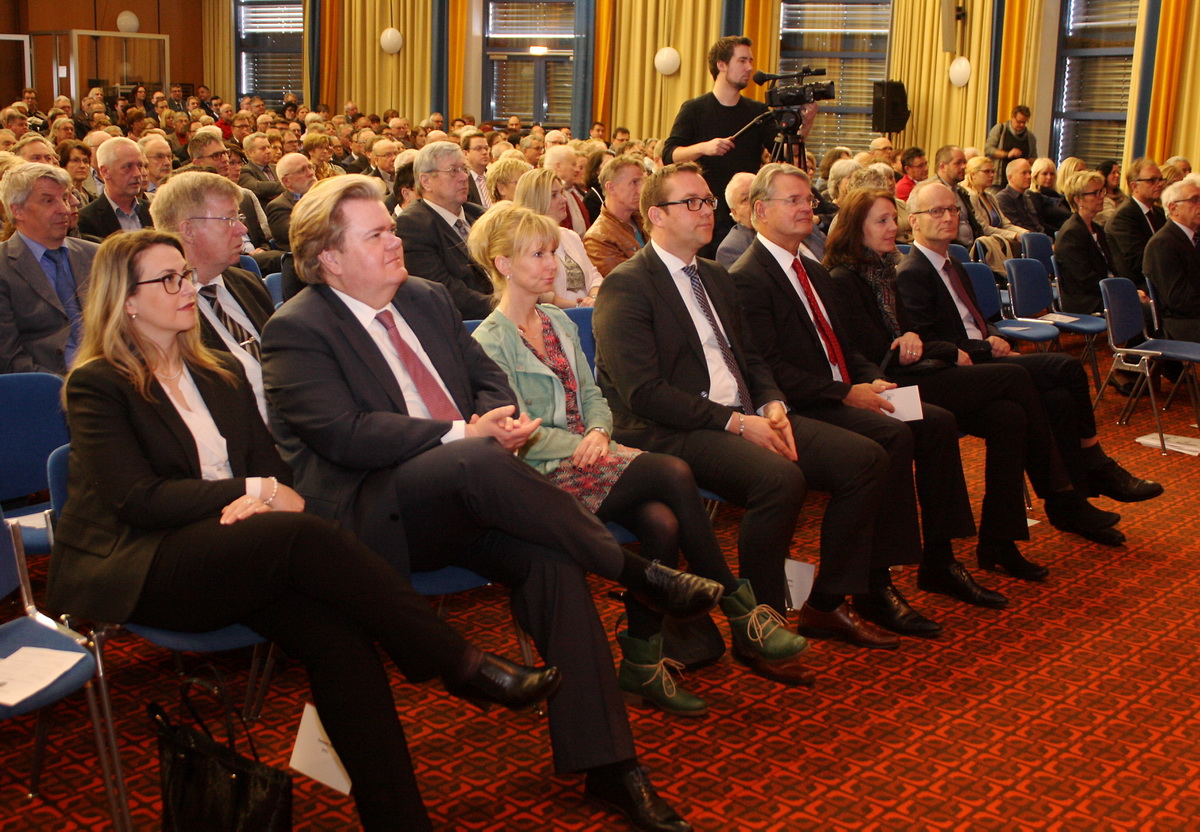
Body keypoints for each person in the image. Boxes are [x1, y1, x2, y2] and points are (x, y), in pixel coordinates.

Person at [49, 229, 560, 831]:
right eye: (168, 279)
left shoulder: (218, 372)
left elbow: (273, 467)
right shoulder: (99, 383)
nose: (187, 288)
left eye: (185, 274)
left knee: (339, 638)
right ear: (126, 300)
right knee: (298, 533)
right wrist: (252, 493)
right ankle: (461, 663)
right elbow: (140, 500)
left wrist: (257, 496)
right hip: (143, 562)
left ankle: (400, 820)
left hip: (239, 546)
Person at [262, 174, 712, 832]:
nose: (395, 241)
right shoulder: (297, 328)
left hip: (475, 495)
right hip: (379, 510)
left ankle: (610, 766)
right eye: (377, 234)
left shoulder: (426, 299)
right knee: (475, 458)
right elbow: (344, 434)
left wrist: (491, 420)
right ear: (329, 257)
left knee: (554, 564)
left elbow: (487, 381)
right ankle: (633, 572)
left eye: (392, 229)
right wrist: (462, 435)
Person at [470, 203, 812, 714]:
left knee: (662, 524)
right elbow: (518, 431)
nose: (552, 264)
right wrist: (583, 444)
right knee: (671, 471)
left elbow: (593, 395)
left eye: (552, 252)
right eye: (538, 254)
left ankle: (642, 663)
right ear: (503, 264)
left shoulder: (558, 320)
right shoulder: (489, 341)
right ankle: (740, 607)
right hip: (542, 475)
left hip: (596, 456)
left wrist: (599, 432)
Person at [595, 161, 902, 650]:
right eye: (691, 202)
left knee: (865, 459)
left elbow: (751, 358)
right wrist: (737, 423)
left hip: (741, 414)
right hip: (672, 427)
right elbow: (643, 392)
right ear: (656, 215)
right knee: (780, 480)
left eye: (708, 201)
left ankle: (825, 603)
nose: (706, 211)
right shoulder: (628, 284)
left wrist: (772, 403)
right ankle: (761, 623)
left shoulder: (715, 277)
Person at [824, 187, 1134, 587]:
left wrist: (921, 341)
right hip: (893, 384)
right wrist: (929, 346)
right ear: (856, 228)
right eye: (881, 221)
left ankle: (999, 540)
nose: (892, 228)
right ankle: (1060, 493)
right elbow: (871, 351)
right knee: (1017, 378)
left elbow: (910, 335)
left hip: (918, 372)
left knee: (1010, 415)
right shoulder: (847, 278)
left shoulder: (884, 269)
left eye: (891, 218)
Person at [730, 164, 984, 624]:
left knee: (936, 422)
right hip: (804, 403)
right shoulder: (748, 276)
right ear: (760, 211)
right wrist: (847, 393)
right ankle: (874, 582)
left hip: (842, 389)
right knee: (892, 436)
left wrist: (871, 378)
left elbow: (846, 347)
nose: (807, 208)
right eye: (794, 200)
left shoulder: (811, 268)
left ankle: (940, 558)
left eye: (808, 199)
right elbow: (769, 369)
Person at [896, 182, 1162, 538]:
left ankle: (1070, 504)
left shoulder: (953, 263)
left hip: (984, 359)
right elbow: (930, 339)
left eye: (953, 210)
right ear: (914, 220)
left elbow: (976, 319)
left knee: (1058, 400)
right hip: (960, 370)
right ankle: (1092, 462)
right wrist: (986, 347)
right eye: (936, 211)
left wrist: (994, 335)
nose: (948, 217)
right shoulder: (913, 271)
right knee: (1067, 367)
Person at [662, 36, 816, 249]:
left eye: (750, 61)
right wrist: (704, 147)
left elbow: (783, 152)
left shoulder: (757, 111)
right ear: (721, 65)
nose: (749, 68)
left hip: (747, 218)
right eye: (742, 61)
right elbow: (669, 154)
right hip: (708, 214)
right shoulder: (694, 109)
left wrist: (806, 124)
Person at [0, 163, 97, 374]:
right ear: (17, 210)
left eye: (64, 198)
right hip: (43, 384)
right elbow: (8, 358)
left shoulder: (95, 255)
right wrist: (65, 387)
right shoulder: (4, 267)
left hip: (108, 377)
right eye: (48, 201)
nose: (64, 209)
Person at [393, 141, 494, 320]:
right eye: (453, 170)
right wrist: (505, 307)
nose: (464, 177)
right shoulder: (413, 225)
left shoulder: (480, 215)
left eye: (464, 169)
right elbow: (443, 291)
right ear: (426, 181)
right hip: (468, 322)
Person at [512, 168, 603, 307]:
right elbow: (542, 297)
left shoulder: (570, 236)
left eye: (561, 193)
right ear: (536, 200)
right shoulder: (526, 243)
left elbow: (594, 276)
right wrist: (578, 307)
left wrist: (593, 298)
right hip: (554, 316)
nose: (563, 200)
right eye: (554, 195)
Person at [1144, 175, 1200, 342]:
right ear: (1173, 208)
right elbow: (1178, 300)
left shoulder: (1192, 238)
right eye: (1195, 200)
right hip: (1180, 324)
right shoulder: (1163, 244)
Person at [1054, 170, 1118, 315]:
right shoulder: (1071, 233)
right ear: (1078, 200)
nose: (1102, 197)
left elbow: (1111, 266)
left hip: (1102, 291)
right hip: (1084, 300)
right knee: (1142, 310)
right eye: (1095, 193)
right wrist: (1116, 291)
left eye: (1102, 191)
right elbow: (1083, 279)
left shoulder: (1097, 229)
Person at [1106, 157, 1166, 290]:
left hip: (1161, 280)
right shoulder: (1123, 217)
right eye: (1152, 180)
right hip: (1139, 286)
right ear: (1134, 186)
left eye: (1161, 179)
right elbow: (1139, 261)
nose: (1159, 184)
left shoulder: (1159, 213)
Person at [583, 155, 647, 277]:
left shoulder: (645, 220)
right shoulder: (597, 238)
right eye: (634, 182)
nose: (641, 189)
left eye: (642, 182)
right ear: (611, 188)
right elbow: (626, 280)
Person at [76, 137, 152, 239]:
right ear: (105, 172)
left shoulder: (152, 211)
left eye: (140, 166)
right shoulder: (87, 219)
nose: (137, 174)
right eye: (128, 167)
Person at [963, 156, 1027, 258]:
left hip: (997, 241)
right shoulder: (970, 196)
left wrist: (1025, 233)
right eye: (987, 172)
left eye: (993, 171)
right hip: (983, 245)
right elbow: (983, 229)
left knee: (1028, 241)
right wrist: (1015, 235)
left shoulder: (990, 196)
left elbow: (1005, 224)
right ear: (973, 174)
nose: (992, 175)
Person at [266, 152, 316, 252]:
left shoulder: (325, 196)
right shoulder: (278, 207)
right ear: (287, 181)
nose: (310, 173)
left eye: (310, 167)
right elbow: (302, 236)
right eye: (302, 170)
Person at [984, 105, 1037, 190]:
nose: (1021, 125)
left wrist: (1028, 161)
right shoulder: (1000, 129)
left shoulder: (1030, 137)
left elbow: (1034, 157)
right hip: (999, 180)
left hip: (1020, 183)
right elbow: (988, 149)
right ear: (1012, 117)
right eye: (1019, 121)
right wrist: (1007, 154)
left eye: (1024, 122)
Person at [715, 171, 756, 269]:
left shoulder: (784, 230)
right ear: (735, 213)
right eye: (745, 199)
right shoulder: (731, 249)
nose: (755, 202)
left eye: (757, 194)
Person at [995, 158, 1043, 234]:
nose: (1029, 176)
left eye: (1029, 172)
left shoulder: (1026, 197)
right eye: (1024, 173)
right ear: (1011, 177)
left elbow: (1036, 224)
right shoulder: (1003, 198)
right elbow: (1013, 226)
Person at [239, 132, 284, 206]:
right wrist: (287, 185)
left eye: (269, 147)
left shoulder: (277, 167)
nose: (268, 151)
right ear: (250, 152)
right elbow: (258, 188)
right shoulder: (245, 171)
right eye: (263, 149)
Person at [57, 139, 95, 206]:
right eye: (75, 160)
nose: (82, 166)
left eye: (85, 161)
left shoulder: (93, 198)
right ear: (63, 164)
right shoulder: (59, 198)